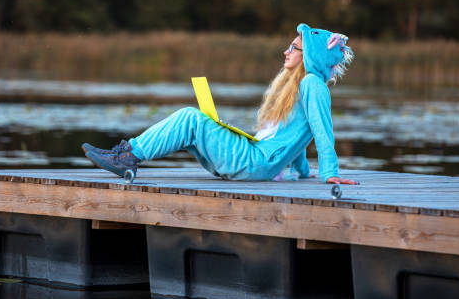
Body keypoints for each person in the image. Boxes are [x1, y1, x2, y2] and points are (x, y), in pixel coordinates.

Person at [81, 23, 358, 185]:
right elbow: (294, 136)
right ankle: (127, 155)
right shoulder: (301, 86)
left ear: (310, 54)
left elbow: (322, 130)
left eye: (294, 48)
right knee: (192, 126)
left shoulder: (313, 85)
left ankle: (127, 157)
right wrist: (301, 172)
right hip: (255, 160)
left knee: (190, 118)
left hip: (255, 163)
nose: (286, 51)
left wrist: (329, 173)